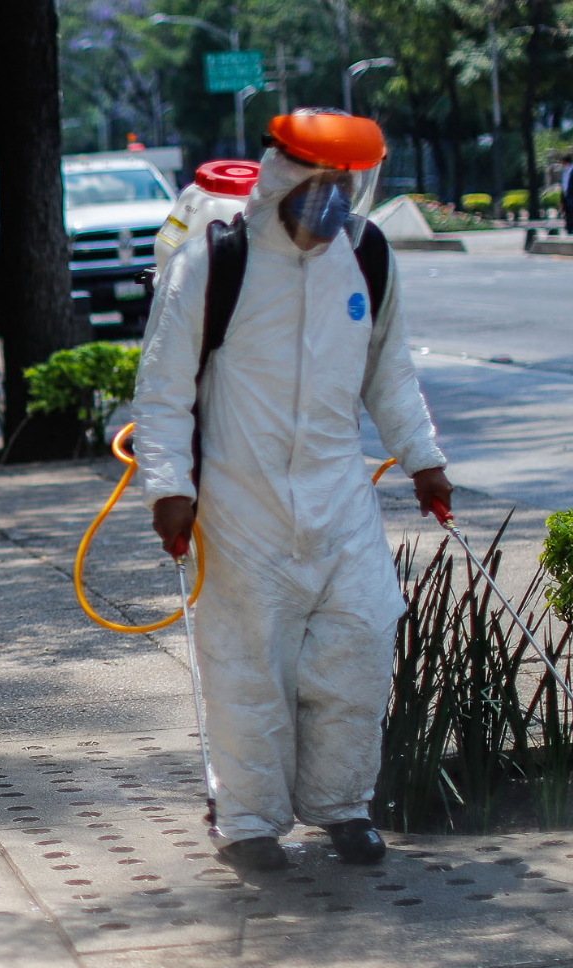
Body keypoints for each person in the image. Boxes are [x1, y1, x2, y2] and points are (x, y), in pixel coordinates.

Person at [131, 110, 454, 872]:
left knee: (361, 645)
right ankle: (246, 822)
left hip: (340, 501)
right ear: (282, 176)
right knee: (250, 668)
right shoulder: (219, 261)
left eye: (346, 185)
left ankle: (343, 807)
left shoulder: (365, 257)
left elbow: (389, 371)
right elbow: (164, 385)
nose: (331, 200)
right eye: (318, 183)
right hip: (243, 508)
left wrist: (424, 460)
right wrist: (167, 489)